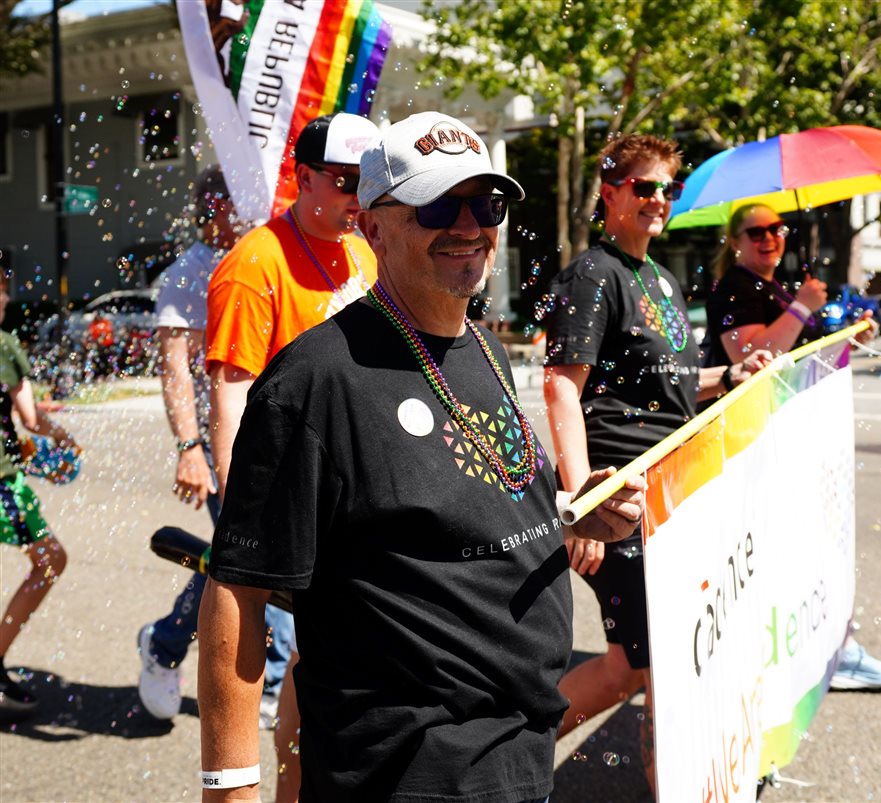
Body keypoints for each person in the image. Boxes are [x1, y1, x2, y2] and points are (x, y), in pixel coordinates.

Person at [197, 110, 645, 802]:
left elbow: (465, 502)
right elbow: (238, 589)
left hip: (520, 751)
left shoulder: (486, 349)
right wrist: (230, 790)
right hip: (409, 771)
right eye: (438, 203)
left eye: (485, 203)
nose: (468, 225)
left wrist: (579, 512)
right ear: (373, 225)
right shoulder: (314, 380)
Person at [543, 134, 771, 789]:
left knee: (651, 660)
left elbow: (669, 377)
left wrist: (730, 375)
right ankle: (504, 753)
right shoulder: (593, 275)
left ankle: (664, 778)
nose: (659, 200)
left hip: (673, 492)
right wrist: (579, 501)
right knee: (641, 663)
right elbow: (563, 384)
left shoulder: (662, 280)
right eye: (645, 187)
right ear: (610, 194)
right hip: (619, 494)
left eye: (667, 188)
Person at [203, 111, 381, 801]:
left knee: (329, 668)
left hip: (362, 496)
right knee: (301, 675)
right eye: (342, 182)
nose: (357, 197)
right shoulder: (254, 265)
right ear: (302, 176)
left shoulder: (364, 248)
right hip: (293, 504)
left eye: (367, 182)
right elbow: (230, 396)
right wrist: (236, 521)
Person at [704, 202, 881, 691]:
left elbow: (798, 353)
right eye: (756, 231)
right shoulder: (736, 286)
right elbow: (750, 358)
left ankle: (829, 647)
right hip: (758, 438)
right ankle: (833, 652)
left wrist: (847, 330)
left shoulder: (769, 285)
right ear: (735, 240)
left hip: (790, 433)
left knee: (810, 546)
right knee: (796, 547)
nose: (769, 237)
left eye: (777, 228)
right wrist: (801, 308)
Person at [135, 166, 295, 725]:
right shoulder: (189, 273)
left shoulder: (276, 252)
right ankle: (273, 683)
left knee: (241, 561)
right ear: (213, 208)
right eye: (238, 200)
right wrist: (189, 447)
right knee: (264, 559)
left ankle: (165, 639)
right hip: (226, 440)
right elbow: (176, 368)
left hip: (287, 438)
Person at [0, 281, 76, 721]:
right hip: (3, 486)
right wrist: (62, 436)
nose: (6, 298)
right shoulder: (5, 345)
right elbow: (30, 418)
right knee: (50, 561)